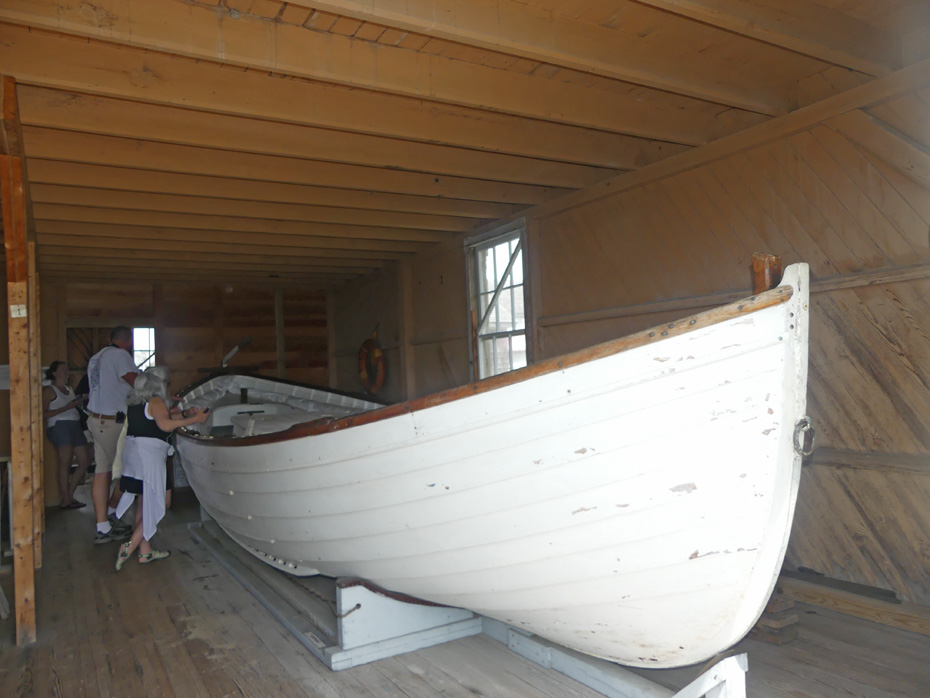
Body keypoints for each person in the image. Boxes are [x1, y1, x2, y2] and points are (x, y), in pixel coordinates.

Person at [114, 367, 209, 570]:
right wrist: (195, 419)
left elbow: (158, 418)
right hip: (149, 457)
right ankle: (130, 545)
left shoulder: (136, 401)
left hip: (134, 455)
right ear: (158, 384)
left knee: (144, 503)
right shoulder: (156, 401)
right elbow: (165, 424)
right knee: (161, 502)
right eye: (166, 383)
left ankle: (145, 551)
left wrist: (184, 413)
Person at [86, 326, 140, 544]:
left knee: (102, 471)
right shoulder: (120, 356)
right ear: (129, 342)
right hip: (113, 422)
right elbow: (136, 383)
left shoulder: (96, 358)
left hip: (96, 419)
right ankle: (111, 512)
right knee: (128, 471)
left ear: (109, 338)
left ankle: (103, 524)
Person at [42, 361, 92, 509]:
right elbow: (44, 413)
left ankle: (68, 496)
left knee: (85, 461)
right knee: (66, 462)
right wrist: (68, 407)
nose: (66, 371)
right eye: (62, 369)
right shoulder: (49, 390)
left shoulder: (69, 389)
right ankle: (66, 498)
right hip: (59, 426)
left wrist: (80, 400)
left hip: (74, 425)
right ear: (54, 373)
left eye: (66, 368)